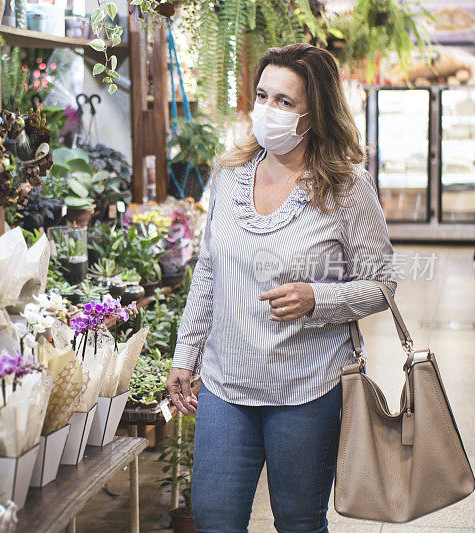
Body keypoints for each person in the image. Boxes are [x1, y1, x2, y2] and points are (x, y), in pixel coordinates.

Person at [166, 43, 396, 533]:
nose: (268, 111)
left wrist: (319, 299)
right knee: (214, 518)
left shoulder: (347, 188)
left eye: (285, 102)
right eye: (262, 96)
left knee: (298, 521)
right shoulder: (228, 176)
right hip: (227, 384)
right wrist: (185, 355)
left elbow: (383, 284)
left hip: (308, 390)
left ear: (316, 114)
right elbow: (208, 270)